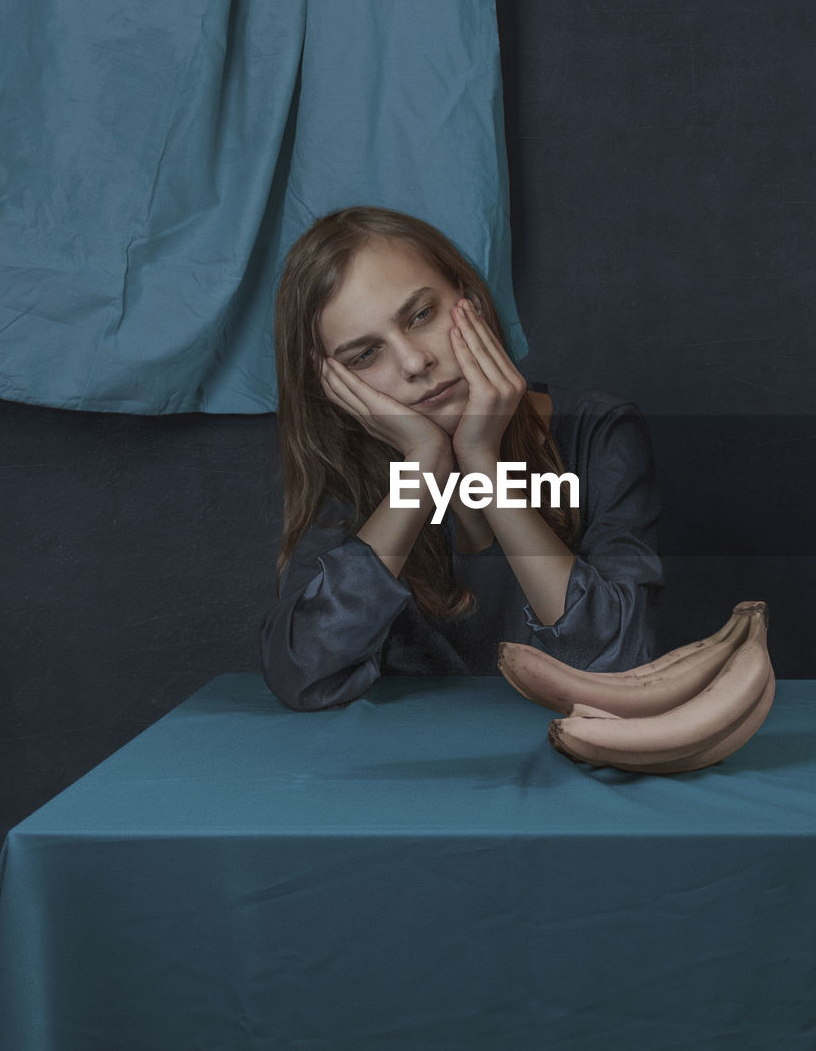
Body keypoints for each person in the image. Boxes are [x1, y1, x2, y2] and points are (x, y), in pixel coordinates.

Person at [259, 206, 663, 711]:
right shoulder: (348, 466)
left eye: (421, 315)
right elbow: (304, 674)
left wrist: (482, 462)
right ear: (334, 387)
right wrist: (422, 469)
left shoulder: (599, 431)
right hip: (413, 770)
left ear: (468, 298)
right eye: (365, 355)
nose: (414, 362)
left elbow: (619, 666)